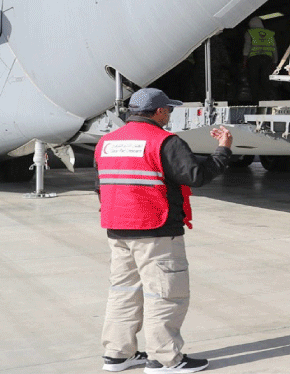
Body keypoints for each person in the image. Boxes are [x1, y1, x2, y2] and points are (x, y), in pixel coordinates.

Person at [95, 87, 232, 373]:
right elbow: (196, 175)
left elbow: (101, 185)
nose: (169, 114)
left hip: (118, 228)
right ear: (158, 111)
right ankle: (164, 359)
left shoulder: (106, 142)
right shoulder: (165, 141)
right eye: (168, 110)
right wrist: (223, 150)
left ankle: (118, 355)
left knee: (123, 291)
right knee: (165, 294)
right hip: (155, 229)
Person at [243, 17, 278, 103]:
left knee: (254, 80)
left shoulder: (250, 32)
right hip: (267, 59)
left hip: (254, 60)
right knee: (266, 80)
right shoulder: (269, 33)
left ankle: (256, 100)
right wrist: (275, 62)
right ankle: (267, 99)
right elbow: (274, 48)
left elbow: (247, 47)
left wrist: (244, 61)